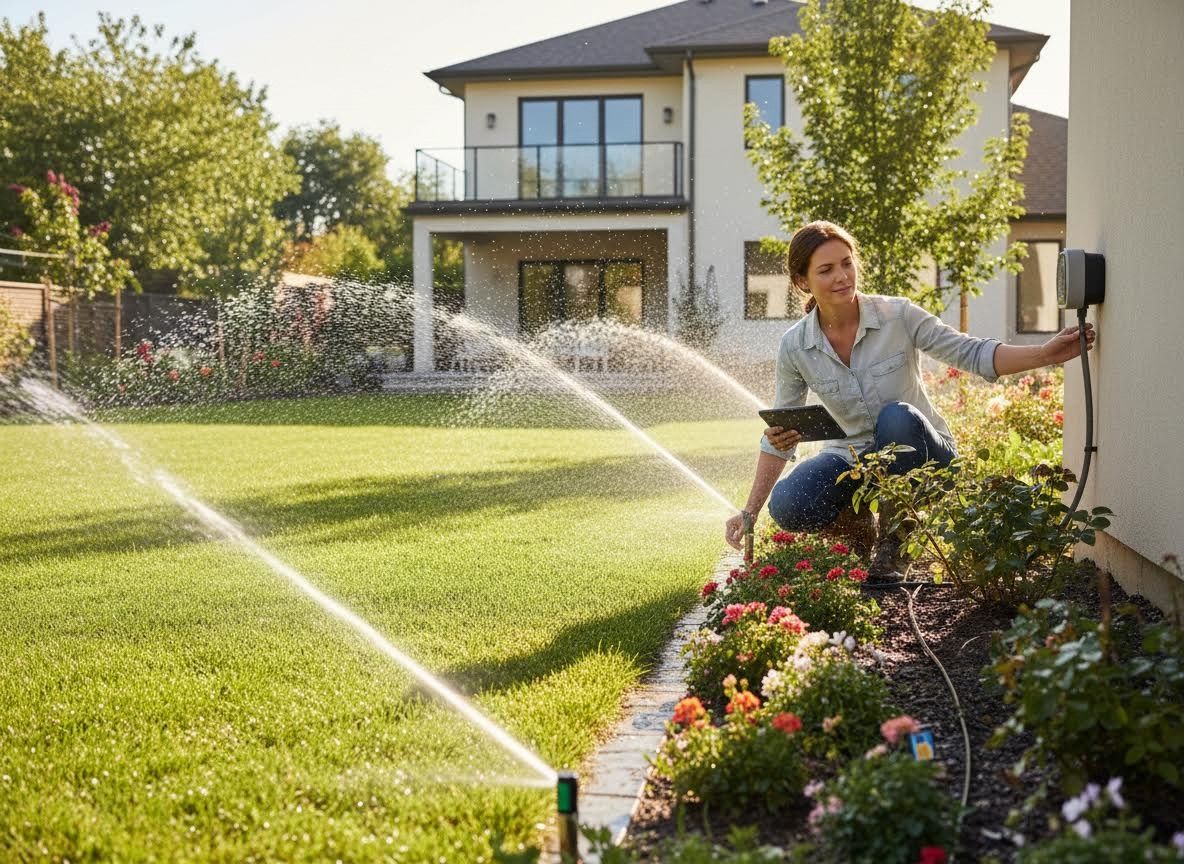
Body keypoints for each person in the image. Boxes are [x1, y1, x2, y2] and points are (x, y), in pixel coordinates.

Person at [724, 221, 1095, 580]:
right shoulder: (796, 345)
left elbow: (972, 353)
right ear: (802, 281)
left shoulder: (897, 314)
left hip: (926, 457)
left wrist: (1045, 354)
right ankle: (857, 528)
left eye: (847, 263)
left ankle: (895, 543)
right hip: (853, 458)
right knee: (788, 503)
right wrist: (750, 511)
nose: (842, 276)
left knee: (896, 418)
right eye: (826, 269)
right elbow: (779, 434)